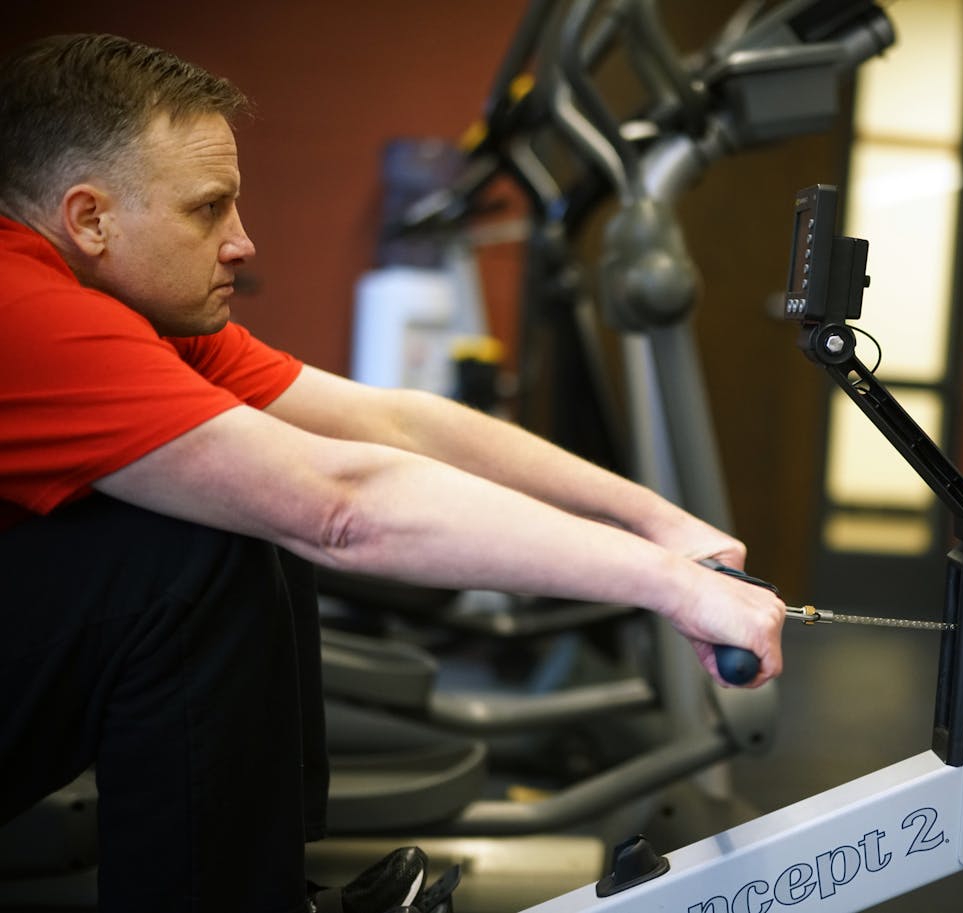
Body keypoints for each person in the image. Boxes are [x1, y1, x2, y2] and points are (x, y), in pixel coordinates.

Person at [0, 32, 785, 913]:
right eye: (208, 210)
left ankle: (265, 887)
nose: (243, 243)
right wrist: (670, 587)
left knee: (239, 499)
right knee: (205, 544)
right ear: (90, 217)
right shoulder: (27, 309)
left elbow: (393, 421)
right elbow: (340, 507)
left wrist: (659, 523)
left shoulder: (132, 312)